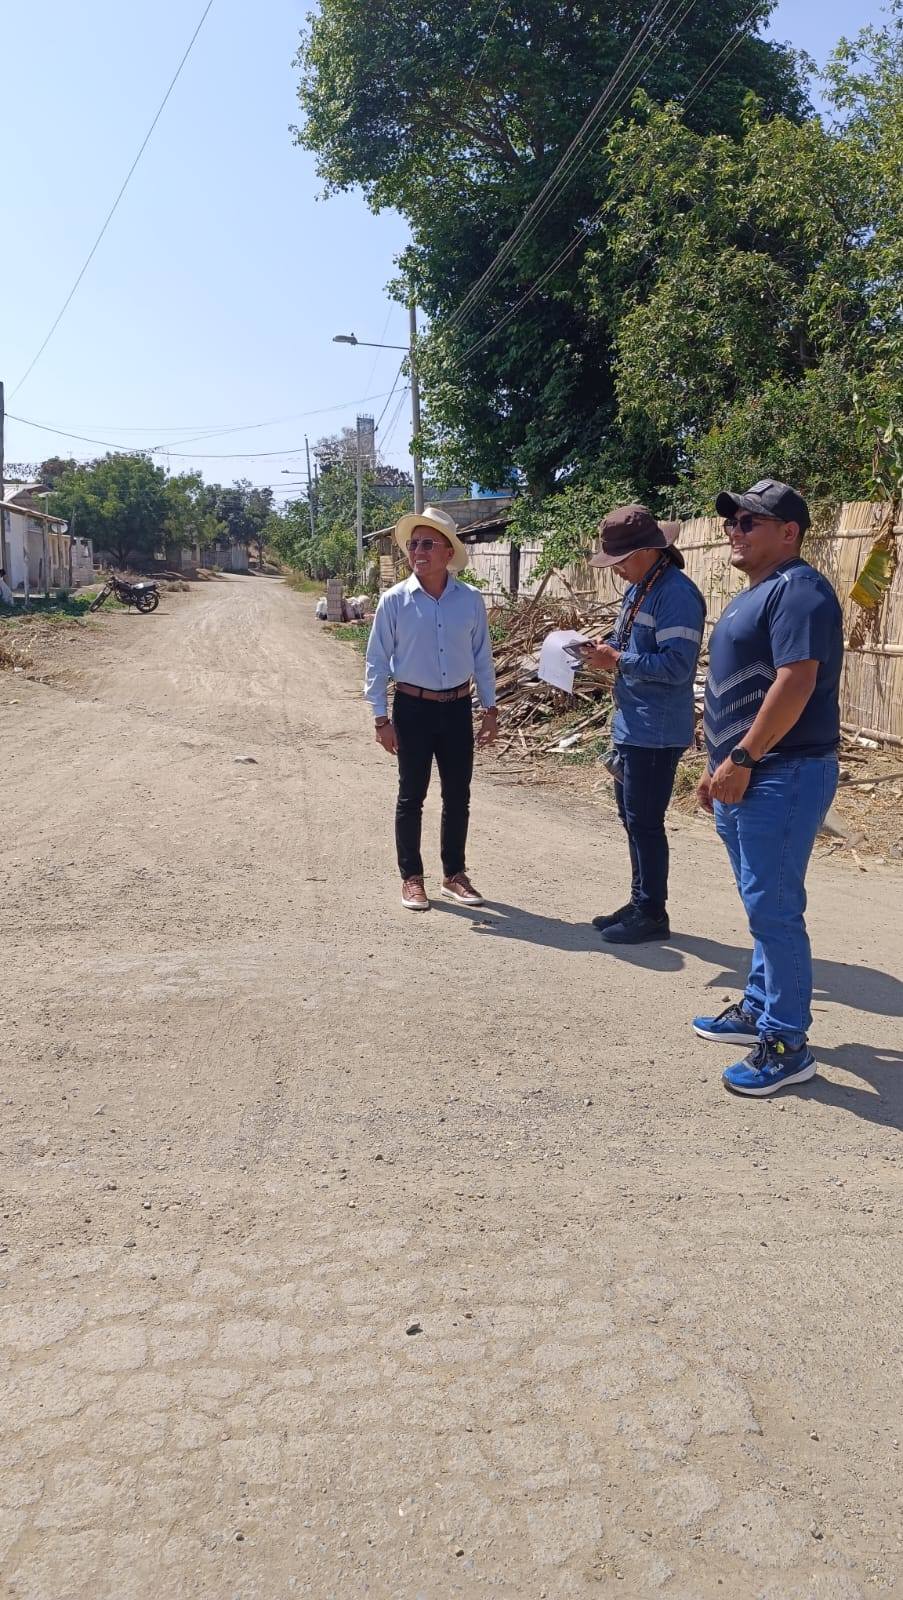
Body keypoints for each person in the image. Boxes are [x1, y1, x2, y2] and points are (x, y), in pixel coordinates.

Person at [693, 478, 843, 1097]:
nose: (735, 530)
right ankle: (759, 1007)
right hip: (749, 772)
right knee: (761, 903)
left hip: (783, 771)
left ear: (789, 532)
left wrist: (745, 757)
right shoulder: (757, 592)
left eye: (748, 522)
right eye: (732, 521)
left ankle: (787, 1042)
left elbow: (796, 681)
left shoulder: (800, 590)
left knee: (775, 909)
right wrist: (717, 764)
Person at [581, 505, 706, 944]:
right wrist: (600, 648)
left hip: (656, 729)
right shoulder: (640, 588)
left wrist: (617, 659)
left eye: (620, 561)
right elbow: (627, 641)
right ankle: (640, 901)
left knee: (645, 821)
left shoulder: (676, 595)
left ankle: (652, 912)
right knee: (632, 818)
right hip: (632, 724)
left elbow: (676, 666)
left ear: (648, 551)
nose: (616, 570)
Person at [364, 505, 498, 911]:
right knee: (411, 796)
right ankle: (411, 877)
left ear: (447, 552)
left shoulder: (469, 600)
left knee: (458, 795)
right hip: (412, 709)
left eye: (427, 544)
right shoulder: (394, 601)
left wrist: (490, 710)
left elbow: (482, 657)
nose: (417, 552)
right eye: (413, 544)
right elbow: (376, 661)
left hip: (456, 709)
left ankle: (454, 875)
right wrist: (381, 718)